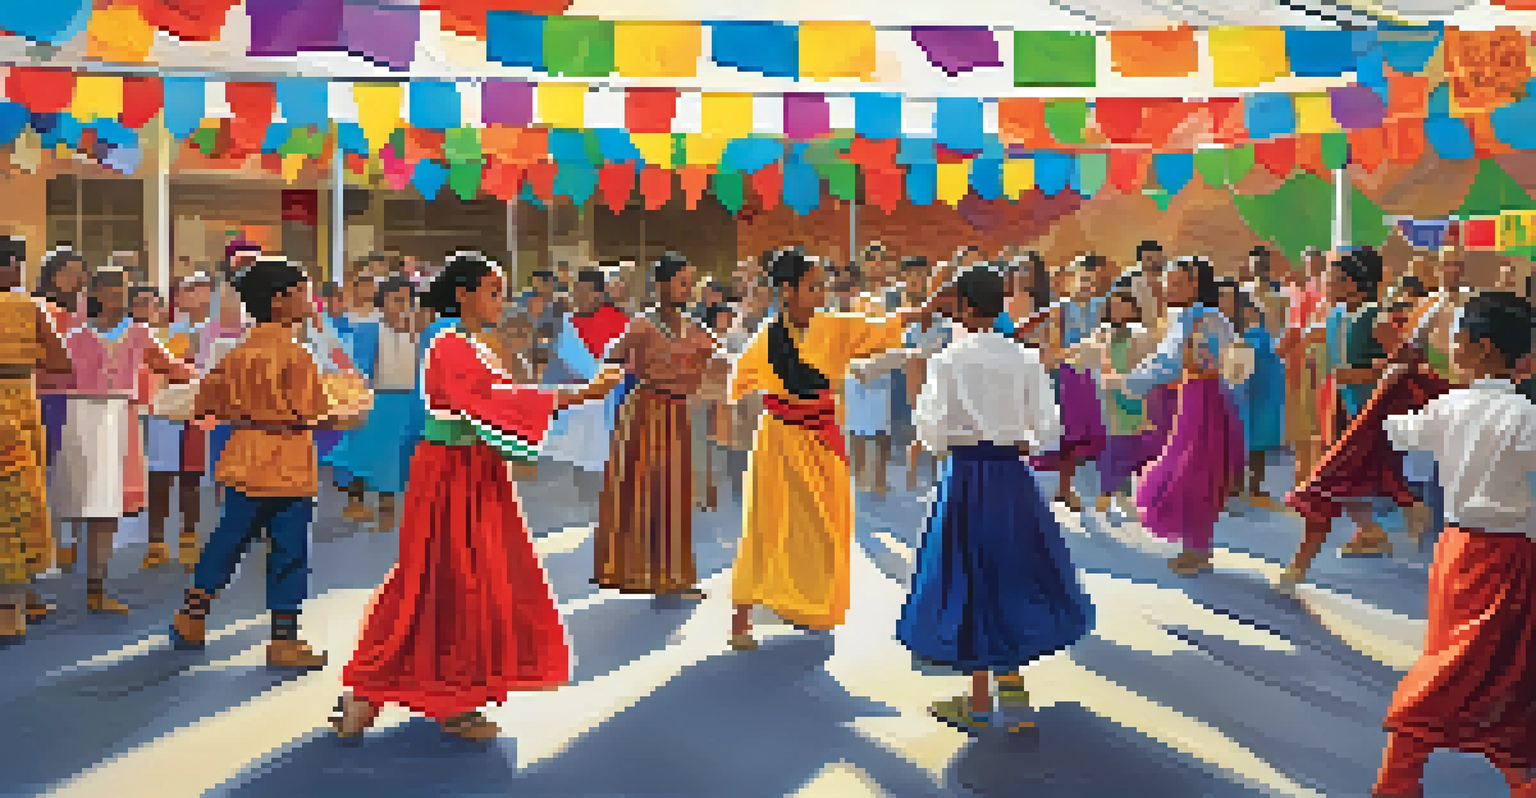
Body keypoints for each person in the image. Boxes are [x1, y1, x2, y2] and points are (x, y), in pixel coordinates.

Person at [333, 254, 623, 742]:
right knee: (442, 580)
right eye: (492, 291)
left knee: (470, 579)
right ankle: (383, 692)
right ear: (463, 293)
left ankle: (445, 695)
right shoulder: (449, 344)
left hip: (473, 471)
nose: (500, 301)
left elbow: (500, 398)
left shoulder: (467, 343)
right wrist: (582, 394)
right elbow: (496, 401)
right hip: (450, 473)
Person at [897, 265, 1092, 733]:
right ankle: (1013, 691)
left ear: (964, 307)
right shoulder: (1024, 359)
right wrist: (1023, 442)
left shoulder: (949, 360)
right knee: (1009, 574)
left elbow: (931, 430)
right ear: (1000, 305)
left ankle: (981, 701)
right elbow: (1049, 429)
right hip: (1010, 476)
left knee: (969, 578)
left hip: (965, 474)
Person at [726, 249, 948, 650]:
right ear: (788, 290)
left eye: (823, 286)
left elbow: (881, 327)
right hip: (777, 439)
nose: (822, 294)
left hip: (821, 439)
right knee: (767, 524)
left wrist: (926, 309)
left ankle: (806, 603)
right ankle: (741, 617)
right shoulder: (768, 336)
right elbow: (737, 380)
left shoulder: (834, 326)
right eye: (813, 286)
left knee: (827, 526)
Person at [1370, 292, 1536, 798]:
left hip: (1457, 552)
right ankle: (1401, 774)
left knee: (1461, 657)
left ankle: (1513, 774)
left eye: (1456, 337)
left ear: (1481, 348)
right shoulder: (1522, 415)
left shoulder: (1449, 406)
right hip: (1509, 554)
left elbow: (1399, 432)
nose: (1451, 346)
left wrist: (1392, 386)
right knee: (1499, 665)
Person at [169, 257, 365, 668]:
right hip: (290, 465)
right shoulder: (298, 355)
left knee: (227, 540)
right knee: (290, 552)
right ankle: (283, 639)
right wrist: (352, 409)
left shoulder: (238, 353)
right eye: (301, 292)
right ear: (279, 301)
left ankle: (192, 615)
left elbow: (209, 401)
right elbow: (315, 411)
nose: (308, 299)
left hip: (244, 458)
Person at [1282, 252, 1451, 589]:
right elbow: (1313, 339)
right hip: (1347, 411)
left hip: (1374, 414)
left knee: (1328, 482)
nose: (1326, 283)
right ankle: (1381, 525)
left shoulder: (1378, 319)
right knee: (1357, 479)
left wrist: (1363, 373)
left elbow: (1404, 362)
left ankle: (1299, 566)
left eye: (1333, 277)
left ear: (1354, 282)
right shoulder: (1335, 315)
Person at [55, 266, 196, 612]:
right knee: (68, 499)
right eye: (113, 291)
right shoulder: (72, 330)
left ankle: (96, 588)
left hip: (119, 416)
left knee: (106, 507)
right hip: (74, 416)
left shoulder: (138, 332)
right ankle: (42, 578)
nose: (121, 298)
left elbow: (171, 367)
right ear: (96, 292)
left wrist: (202, 374)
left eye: (124, 291)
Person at [594, 254, 728, 598]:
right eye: (682, 282)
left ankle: (676, 577)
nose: (688, 289)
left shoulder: (696, 329)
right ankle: (640, 572)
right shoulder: (643, 325)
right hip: (645, 414)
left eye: (690, 282)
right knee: (646, 496)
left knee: (676, 497)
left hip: (678, 416)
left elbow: (724, 362)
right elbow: (611, 357)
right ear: (661, 285)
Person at [1103, 256, 1245, 576]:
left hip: (1200, 400)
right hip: (1205, 399)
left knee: (1189, 469)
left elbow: (1168, 363)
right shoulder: (1205, 317)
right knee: (1196, 471)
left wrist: (1128, 382)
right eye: (1168, 280)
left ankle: (1197, 549)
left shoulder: (1197, 318)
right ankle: (1197, 547)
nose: (1167, 286)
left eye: (1176, 281)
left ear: (1195, 285)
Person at [0, 236, 72, 637]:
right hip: (18, 405)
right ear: (11, 265)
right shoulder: (28, 307)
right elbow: (61, 362)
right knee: (19, 502)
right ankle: (12, 607)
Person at [324, 277, 422, 532]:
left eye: (408, 301)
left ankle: (384, 512)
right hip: (375, 401)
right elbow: (358, 368)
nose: (403, 306)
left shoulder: (418, 331)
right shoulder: (369, 330)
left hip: (407, 402)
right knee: (364, 455)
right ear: (383, 302)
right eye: (397, 300)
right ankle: (364, 506)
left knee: (392, 459)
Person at [1032, 254, 1109, 512]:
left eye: (1092, 280)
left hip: (1091, 377)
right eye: (1083, 279)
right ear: (1072, 280)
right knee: (1063, 436)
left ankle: (1070, 488)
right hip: (1065, 378)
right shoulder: (1060, 308)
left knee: (1083, 439)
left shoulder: (1102, 306)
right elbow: (1052, 349)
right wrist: (1076, 352)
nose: (1087, 285)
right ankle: (1060, 488)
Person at [32, 249, 88, 572]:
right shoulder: (42, 310)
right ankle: (45, 550)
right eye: (71, 272)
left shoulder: (80, 313)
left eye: (81, 273)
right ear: (53, 275)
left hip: (75, 399)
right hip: (46, 397)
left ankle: (66, 545)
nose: (78, 279)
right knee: (44, 475)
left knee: (70, 476)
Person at [1092, 288, 1169, 515]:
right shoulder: (1103, 333)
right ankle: (1109, 493)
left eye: (1122, 305)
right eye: (1113, 305)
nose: (1116, 310)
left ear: (1132, 308)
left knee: (1135, 445)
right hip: (1110, 396)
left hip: (1135, 395)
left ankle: (1134, 495)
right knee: (1114, 446)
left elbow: (1148, 365)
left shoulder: (1141, 334)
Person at [1219, 280, 1287, 508]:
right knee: (1244, 438)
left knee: (1253, 438)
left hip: (1258, 389)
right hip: (1246, 388)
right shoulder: (1225, 328)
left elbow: (1258, 357)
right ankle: (1240, 485)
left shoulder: (1254, 330)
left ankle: (1249, 486)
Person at [1278, 246, 1329, 484]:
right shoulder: (1302, 291)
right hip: (1299, 362)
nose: (1312, 266)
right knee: (1302, 420)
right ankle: (1303, 473)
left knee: (1316, 419)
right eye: (1308, 262)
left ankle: (1313, 475)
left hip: (1317, 362)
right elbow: (1294, 328)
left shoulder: (1324, 291)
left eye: (1315, 262)